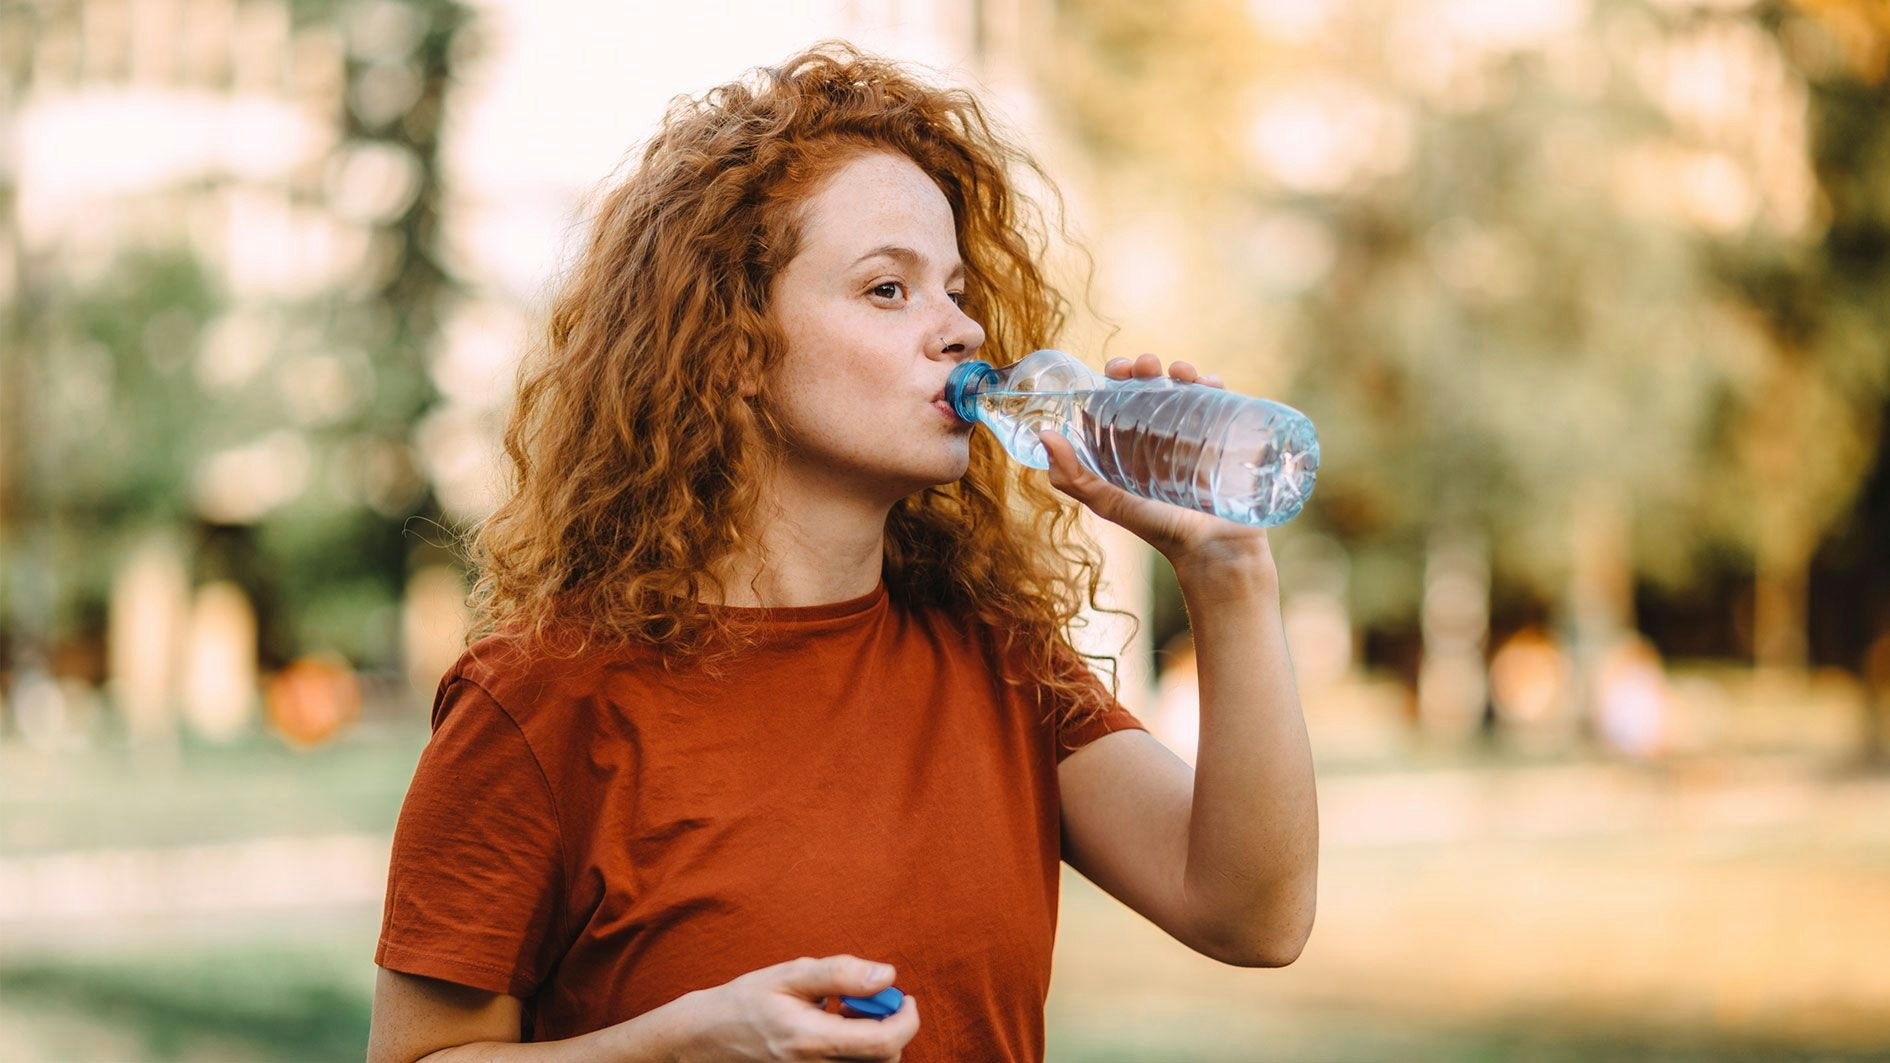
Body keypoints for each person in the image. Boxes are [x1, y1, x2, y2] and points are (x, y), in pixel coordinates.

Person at [367, 42, 1317, 1063]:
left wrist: (1228, 574)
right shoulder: (543, 700)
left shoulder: (999, 660)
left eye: (956, 290)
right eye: (888, 289)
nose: (961, 331)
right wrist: (682, 1045)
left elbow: (1251, 915)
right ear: (732, 347)